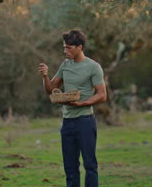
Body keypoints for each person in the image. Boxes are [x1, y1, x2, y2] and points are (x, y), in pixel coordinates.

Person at [38, 29, 106, 187]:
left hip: (85, 121)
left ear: (79, 47)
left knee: (90, 166)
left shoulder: (93, 67)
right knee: (70, 168)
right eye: (64, 47)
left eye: (68, 47)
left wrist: (82, 104)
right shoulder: (65, 65)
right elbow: (50, 90)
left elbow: (102, 95)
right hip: (67, 122)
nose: (65, 51)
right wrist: (45, 76)